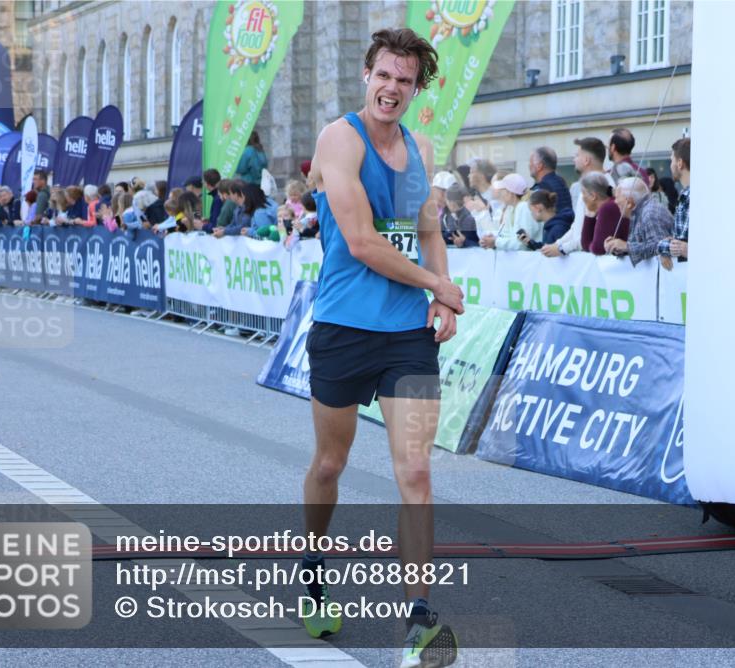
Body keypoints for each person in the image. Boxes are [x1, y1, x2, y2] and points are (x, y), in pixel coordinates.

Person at [304, 27, 462, 668]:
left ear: (416, 89)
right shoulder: (339, 139)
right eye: (384, 75)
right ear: (366, 76)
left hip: (405, 337)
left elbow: (428, 230)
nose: (392, 88)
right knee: (330, 466)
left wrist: (436, 292)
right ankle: (312, 566)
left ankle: (419, 622)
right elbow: (364, 243)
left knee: (416, 471)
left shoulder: (422, 146)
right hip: (343, 326)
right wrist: (441, 286)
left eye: (405, 79)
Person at [604, 176, 673, 266]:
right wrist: (618, 248)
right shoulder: (641, 211)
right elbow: (644, 248)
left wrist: (626, 246)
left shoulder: (650, 213)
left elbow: (660, 247)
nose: (615, 202)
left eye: (617, 198)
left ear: (629, 203)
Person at [473, 173, 538, 251]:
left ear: (511, 193)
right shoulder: (511, 209)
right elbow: (505, 236)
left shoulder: (524, 207)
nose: (501, 194)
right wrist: (492, 239)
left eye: (502, 191)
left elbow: (523, 243)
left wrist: (495, 242)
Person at [658, 137, 690, 265]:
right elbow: (677, 243)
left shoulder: (688, 196)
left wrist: (666, 247)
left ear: (680, 163)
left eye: (671, 160)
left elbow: (679, 244)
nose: (670, 165)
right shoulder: (685, 194)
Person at [579, 172, 624, 255]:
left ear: (593, 196)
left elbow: (598, 248)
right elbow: (586, 245)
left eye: (583, 193)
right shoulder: (609, 205)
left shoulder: (608, 208)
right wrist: (589, 216)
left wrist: (588, 216)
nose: (582, 198)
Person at [528, 146, 573, 223]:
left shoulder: (543, 187)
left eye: (531, 162)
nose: (529, 165)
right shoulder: (561, 181)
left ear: (539, 166)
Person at [440, 183, 478, 248]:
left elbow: (477, 243)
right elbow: (442, 237)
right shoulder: (445, 216)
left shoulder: (470, 218)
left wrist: (464, 241)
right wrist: (447, 236)